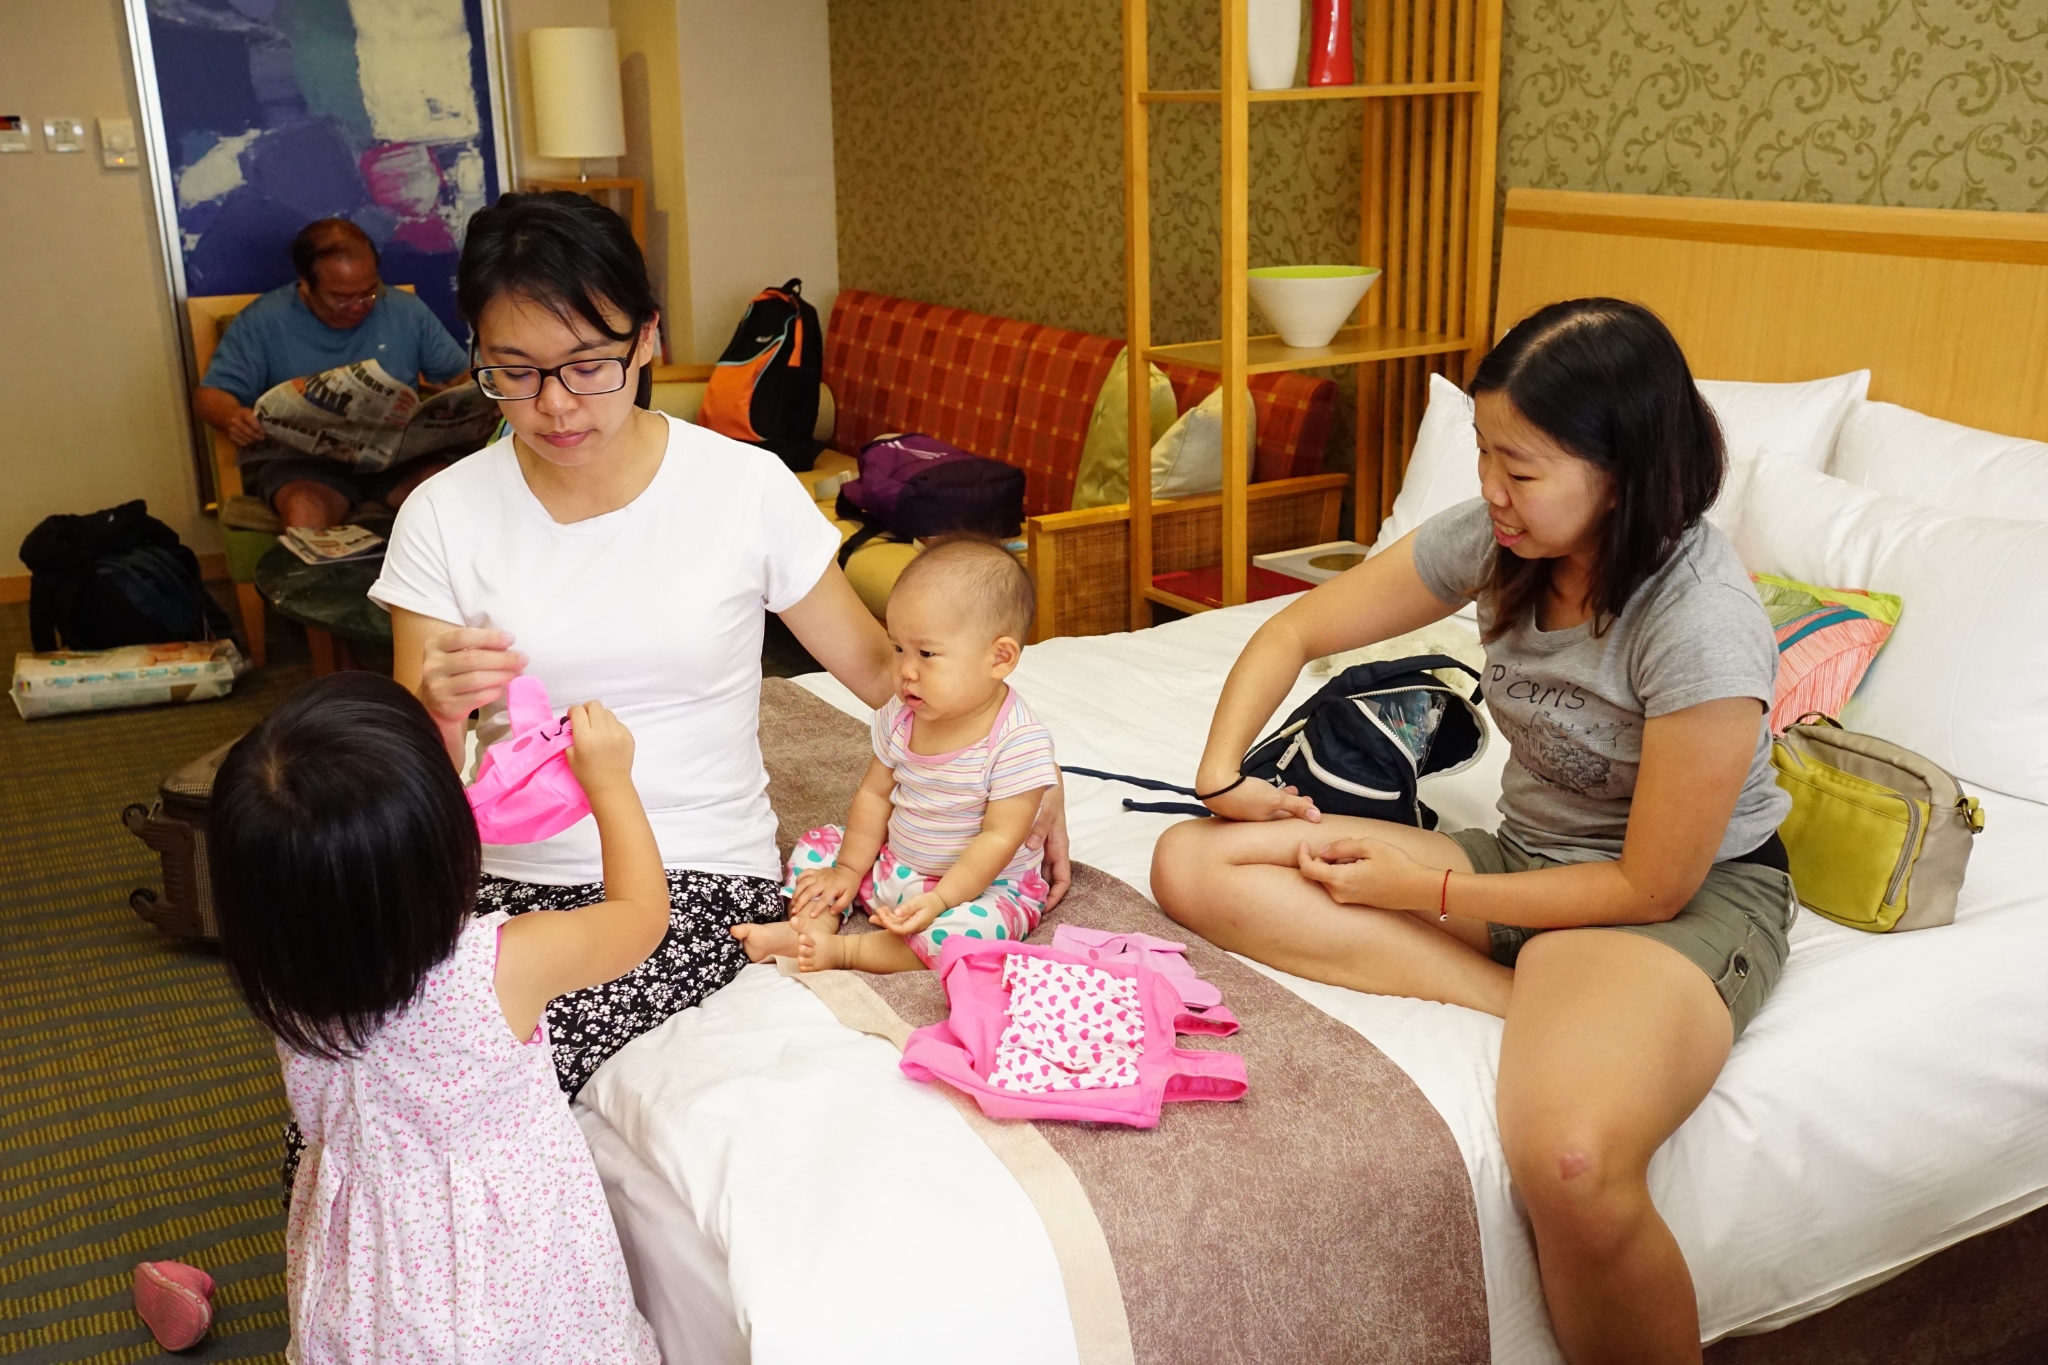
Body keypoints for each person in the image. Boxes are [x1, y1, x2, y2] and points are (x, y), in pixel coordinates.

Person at [1150, 298, 1795, 1365]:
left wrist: (1430, 894)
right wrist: (1221, 776)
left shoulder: (1700, 624)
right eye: (1484, 453)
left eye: (1521, 467)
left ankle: (1566, 1001)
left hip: (1678, 903)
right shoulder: (1504, 540)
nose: (1491, 488)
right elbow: (1299, 626)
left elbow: (1648, 887)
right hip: (1529, 859)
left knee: (1571, 1165)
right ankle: (1529, 1000)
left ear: (1624, 470)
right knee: (1195, 859)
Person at [367, 191, 1070, 1102]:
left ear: (647, 338)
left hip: (692, 873)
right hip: (497, 872)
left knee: (478, 1062)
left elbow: (877, 670)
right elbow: (408, 774)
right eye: (515, 371)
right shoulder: (444, 512)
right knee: (363, 1038)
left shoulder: (743, 488)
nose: (555, 404)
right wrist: (437, 706)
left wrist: (1026, 777)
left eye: (588, 365)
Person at [211, 672, 663, 1363]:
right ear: (445, 850)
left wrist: (446, 725)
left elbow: (367, 853)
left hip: (364, 1272)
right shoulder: (503, 963)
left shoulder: (283, 974)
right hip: (506, 1268)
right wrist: (612, 785)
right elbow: (641, 916)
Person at [738, 537, 1059, 973]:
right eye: (898, 649)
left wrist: (941, 899)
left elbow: (998, 839)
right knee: (818, 845)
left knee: (965, 936)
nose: (906, 670)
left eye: (926, 653)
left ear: (999, 658)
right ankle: (811, 927)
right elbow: (875, 795)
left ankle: (848, 952)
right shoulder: (902, 715)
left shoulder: (1017, 743)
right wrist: (849, 870)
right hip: (896, 866)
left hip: (979, 887)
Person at [194, 217, 471, 529]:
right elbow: (211, 395)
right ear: (306, 285)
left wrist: (469, 401)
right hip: (306, 465)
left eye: (369, 292)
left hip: (396, 458)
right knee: (305, 511)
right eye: (341, 298)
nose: (358, 306)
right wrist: (232, 417)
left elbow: (460, 376)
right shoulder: (263, 321)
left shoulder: (406, 310)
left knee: (446, 497)